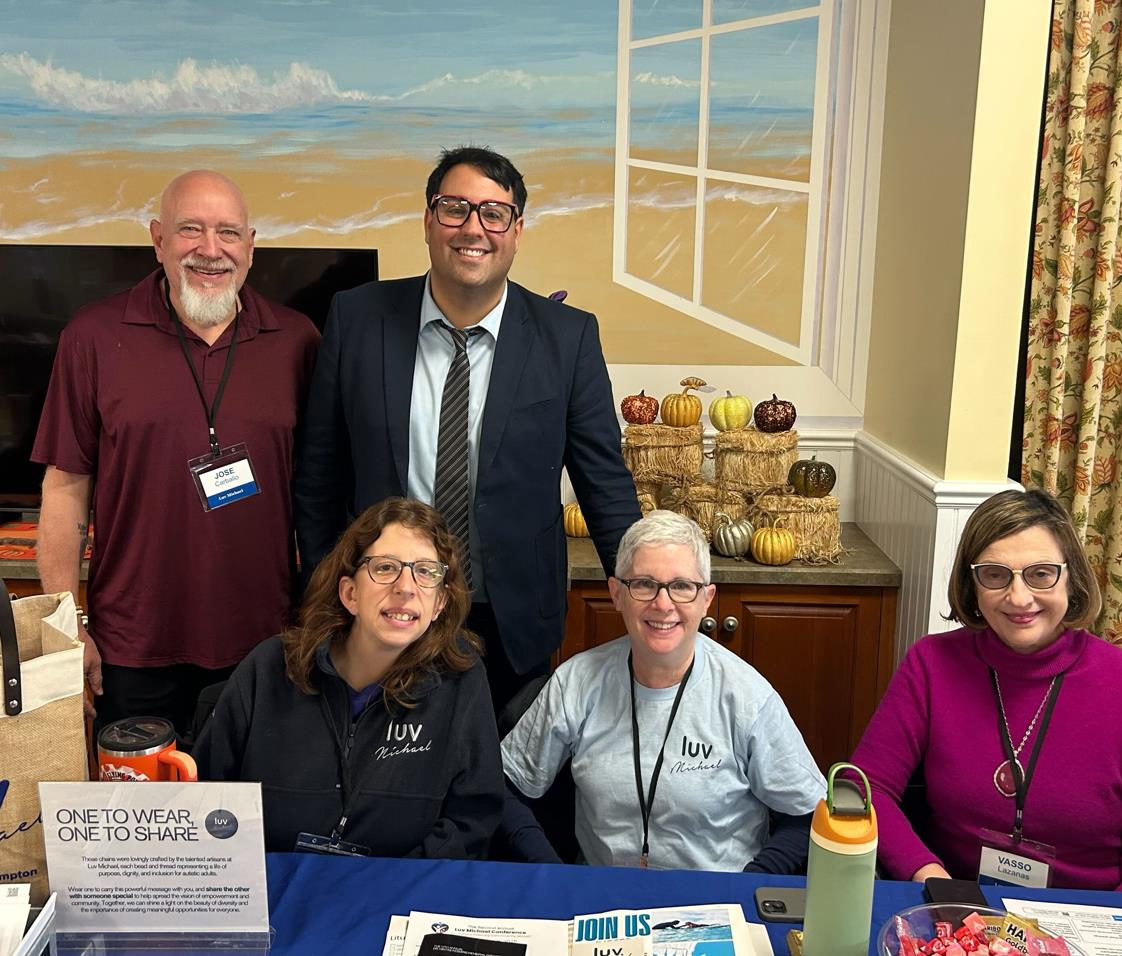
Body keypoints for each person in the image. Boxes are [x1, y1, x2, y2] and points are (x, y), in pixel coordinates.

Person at [293, 145, 640, 711]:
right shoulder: (357, 319)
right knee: (385, 779)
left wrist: (642, 586)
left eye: (493, 213)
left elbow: (604, 483)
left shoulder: (566, 337)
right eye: (454, 208)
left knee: (505, 780)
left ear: (517, 229)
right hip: (384, 603)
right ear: (429, 221)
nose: (472, 228)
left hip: (511, 618)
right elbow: (318, 473)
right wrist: (326, 590)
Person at [32, 169, 320, 734]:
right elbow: (64, 493)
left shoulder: (298, 341)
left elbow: (321, 494)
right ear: (158, 239)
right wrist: (67, 629)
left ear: (252, 246)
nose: (211, 251)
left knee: (253, 817)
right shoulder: (92, 337)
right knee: (145, 817)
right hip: (132, 646)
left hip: (267, 644)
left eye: (228, 233)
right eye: (191, 230)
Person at [850, 488, 1122, 892]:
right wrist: (933, 879)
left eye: (1040, 573)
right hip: (960, 913)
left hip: (1090, 922)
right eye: (995, 575)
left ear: (1072, 577)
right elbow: (863, 788)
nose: (1019, 598)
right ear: (972, 583)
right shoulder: (931, 664)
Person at [500, 510, 827, 872]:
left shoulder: (748, 696)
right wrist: (553, 872)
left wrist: (747, 884)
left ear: (707, 598)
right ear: (616, 594)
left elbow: (810, 814)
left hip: (716, 905)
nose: (663, 603)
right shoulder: (575, 682)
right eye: (643, 584)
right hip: (604, 903)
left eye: (682, 586)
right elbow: (505, 787)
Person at [193, 497, 503, 858]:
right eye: (385, 568)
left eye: (425, 571)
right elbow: (204, 799)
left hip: (399, 893)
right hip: (275, 891)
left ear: (439, 604)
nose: (405, 587)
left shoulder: (461, 678)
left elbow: (471, 820)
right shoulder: (269, 668)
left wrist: (388, 886)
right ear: (350, 594)